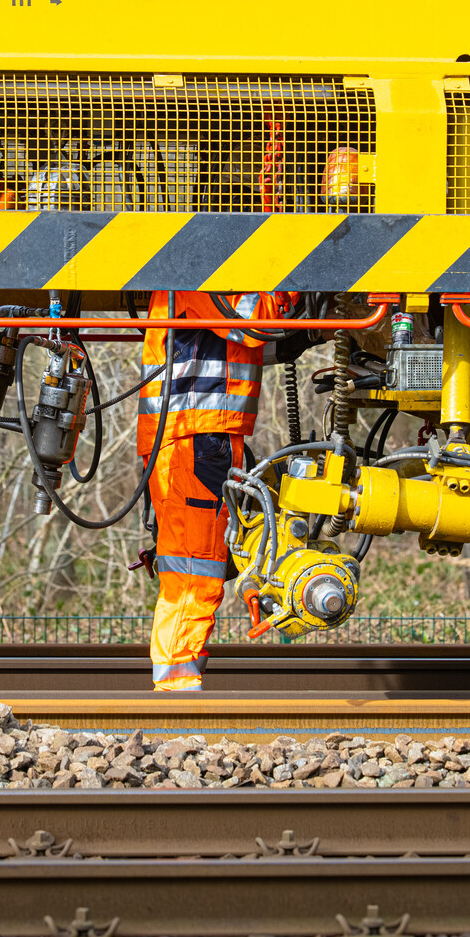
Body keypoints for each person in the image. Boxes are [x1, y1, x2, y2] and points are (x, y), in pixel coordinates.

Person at [138, 291, 292, 691]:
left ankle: (179, 675)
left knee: (195, 561)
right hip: (196, 433)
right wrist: (291, 285)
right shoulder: (204, 266)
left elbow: (249, 337)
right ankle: (177, 683)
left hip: (197, 433)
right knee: (195, 565)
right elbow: (253, 321)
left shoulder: (193, 267)